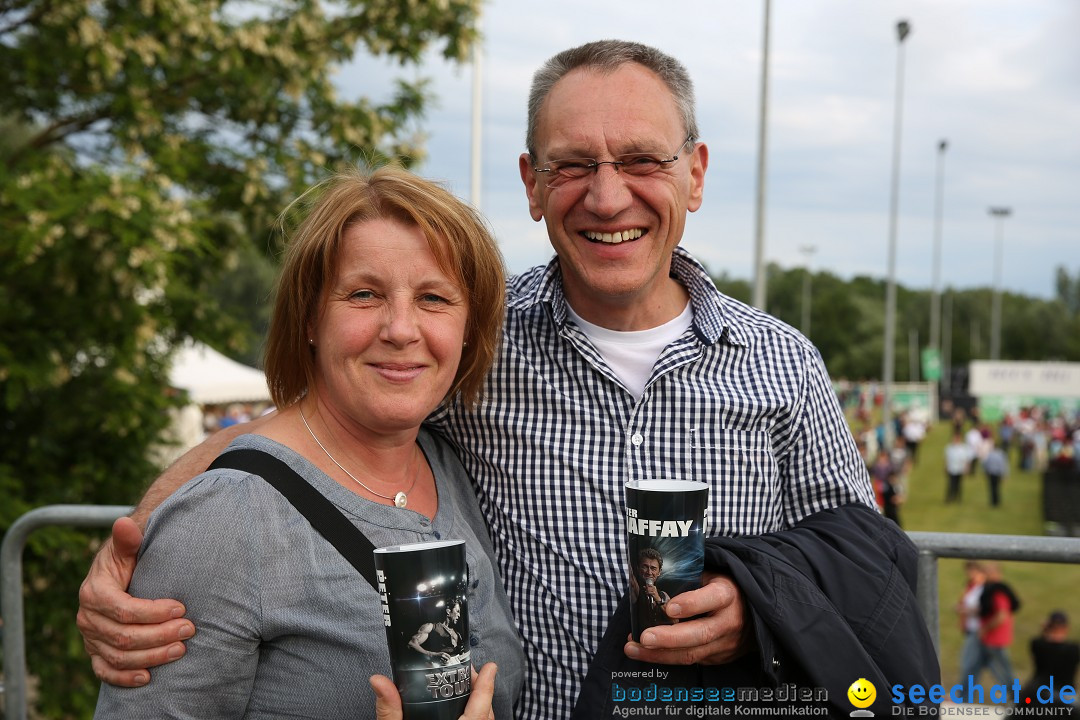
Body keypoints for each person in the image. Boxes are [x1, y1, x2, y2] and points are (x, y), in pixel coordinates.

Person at [78, 41, 890, 718]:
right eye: (573, 165)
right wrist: (138, 551)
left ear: (696, 174)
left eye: (643, 159)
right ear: (533, 184)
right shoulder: (471, 341)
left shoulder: (783, 360)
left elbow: (861, 559)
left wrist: (760, 612)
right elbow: (293, 440)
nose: (609, 197)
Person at [92, 166, 524, 718]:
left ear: (470, 328)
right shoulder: (227, 518)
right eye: (364, 294)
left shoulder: (446, 465)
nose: (400, 328)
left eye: (434, 298)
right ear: (311, 319)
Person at [1019, 610, 1079, 709]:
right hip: (1066, 696)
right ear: (1066, 628)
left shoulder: (1038, 645)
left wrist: (1045, 630)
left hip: (1040, 693)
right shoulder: (1074, 649)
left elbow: (1042, 641)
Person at [979, 563, 1018, 687]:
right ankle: (963, 694)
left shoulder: (998, 591)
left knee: (1003, 669)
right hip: (990, 638)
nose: (986, 575)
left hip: (996, 638)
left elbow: (1002, 615)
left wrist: (985, 628)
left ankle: (1016, 696)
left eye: (989, 572)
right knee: (976, 665)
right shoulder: (990, 589)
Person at [629, 548, 676, 633]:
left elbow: (675, 620)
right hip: (641, 639)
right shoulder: (635, 590)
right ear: (638, 568)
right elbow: (632, 578)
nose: (649, 572)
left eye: (653, 568)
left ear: (659, 572)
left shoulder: (663, 595)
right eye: (645, 567)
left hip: (662, 638)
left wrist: (657, 598)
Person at [957, 561, 988, 687]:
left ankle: (962, 695)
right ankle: (965, 694)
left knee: (968, 662)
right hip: (972, 628)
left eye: (973, 571)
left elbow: (986, 607)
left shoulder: (984, 588)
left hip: (980, 629)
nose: (970, 574)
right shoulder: (970, 586)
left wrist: (966, 610)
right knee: (974, 665)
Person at [409, 601, 467, 667]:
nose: (459, 615)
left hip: (455, 671)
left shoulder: (457, 633)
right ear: (448, 612)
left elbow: (462, 655)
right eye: (457, 611)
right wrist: (434, 655)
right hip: (436, 671)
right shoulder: (431, 627)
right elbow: (412, 644)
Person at [945, 430, 973, 502]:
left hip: (960, 468)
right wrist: (946, 467)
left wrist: (967, 468)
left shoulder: (963, 448)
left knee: (958, 484)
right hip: (951, 468)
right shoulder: (949, 447)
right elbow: (947, 458)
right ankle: (950, 497)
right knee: (951, 484)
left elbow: (967, 459)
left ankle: (958, 498)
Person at [982, 437, 1009, 508]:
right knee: (997, 488)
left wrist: (985, 472)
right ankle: (997, 501)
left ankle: (993, 501)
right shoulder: (1001, 454)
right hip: (998, 473)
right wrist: (1005, 474)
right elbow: (1004, 465)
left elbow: (986, 464)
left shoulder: (990, 454)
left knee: (992, 488)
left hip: (992, 473)